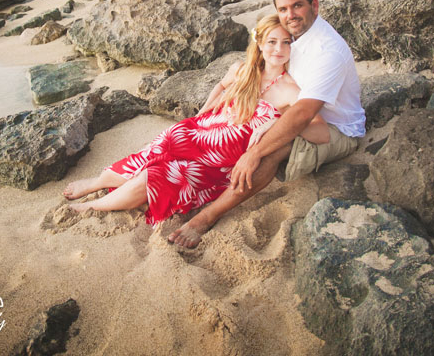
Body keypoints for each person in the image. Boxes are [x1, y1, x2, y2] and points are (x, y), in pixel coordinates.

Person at [167, 0, 366, 248]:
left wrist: (255, 153)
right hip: (295, 110)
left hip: (333, 129)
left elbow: (302, 115)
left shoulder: (326, 52)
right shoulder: (293, 36)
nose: (290, 15)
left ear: (314, 6)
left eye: (298, 6)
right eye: (283, 9)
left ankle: (207, 216)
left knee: (271, 149)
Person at [62, 14, 300, 224]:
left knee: (154, 176)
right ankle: (100, 182)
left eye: (286, 42)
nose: (278, 49)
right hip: (199, 132)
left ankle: (92, 206)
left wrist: (273, 123)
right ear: (259, 43)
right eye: (272, 41)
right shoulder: (243, 70)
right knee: (155, 151)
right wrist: (203, 111)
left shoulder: (291, 90)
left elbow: (303, 122)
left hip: (217, 160)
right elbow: (219, 85)